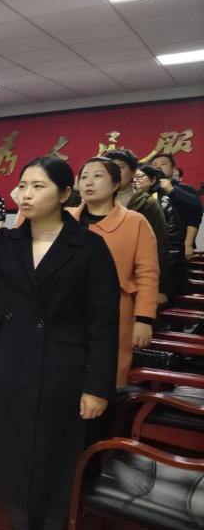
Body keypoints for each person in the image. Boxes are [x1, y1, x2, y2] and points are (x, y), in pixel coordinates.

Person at [0, 156, 120, 530]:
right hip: (10, 362)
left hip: (64, 367)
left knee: (58, 453)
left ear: (65, 194)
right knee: (14, 452)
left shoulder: (89, 247)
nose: (26, 194)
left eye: (38, 186)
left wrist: (97, 387)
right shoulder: (5, 242)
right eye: (22, 185)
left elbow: (105, 323)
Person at [69, 157, 159, 387]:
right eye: (84, 177)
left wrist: (144, 320)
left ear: (116, 184)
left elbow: (148, 274)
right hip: (65, 312)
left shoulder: (135, 221)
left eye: (98, 176)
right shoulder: (65, 220)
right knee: (64, 379)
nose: (89, 182)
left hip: (115, 312)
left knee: (103, 380)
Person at [106, 149, 171, 305]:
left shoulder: (147, 203)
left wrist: (160, 288)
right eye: (109, 168)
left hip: (136, 279)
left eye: (120, 167)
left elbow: (160, 246)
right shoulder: (98, 201)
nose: (114, 172)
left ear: (133, 172)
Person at [135, 165, 188, 302]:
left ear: (153, 181)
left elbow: (172, 245)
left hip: (159, 271)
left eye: (139, 176)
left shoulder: (163, 203)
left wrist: (162, 281)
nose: (134, 180)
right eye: (132, 177)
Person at [152, 153, 202, 261]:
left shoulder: (186, 189)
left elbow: (195, 216)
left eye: (163, 164)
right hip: (153, 245)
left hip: (179, 246)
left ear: (173, 169)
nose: (158, 167)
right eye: (154, 165)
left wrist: (188, 244)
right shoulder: (149, 190)